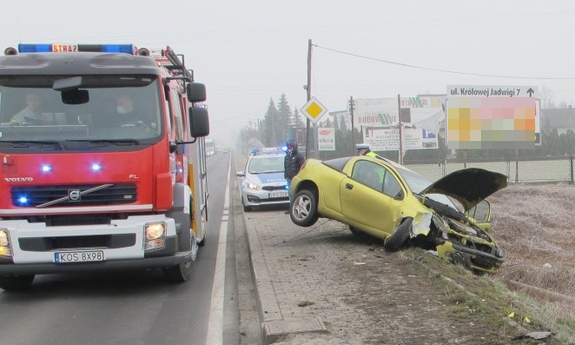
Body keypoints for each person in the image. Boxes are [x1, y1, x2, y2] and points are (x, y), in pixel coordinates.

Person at [283, 139, 305, 214]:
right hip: (289, 178)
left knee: (296, 193)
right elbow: (286, 166)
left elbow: (302, 167)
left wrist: (299, 176)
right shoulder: (286, 156)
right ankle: (291, 207)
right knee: (290, 193)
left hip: (296, 178)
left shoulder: (299, 156)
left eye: (290, 147)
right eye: (288, 147)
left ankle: (298, 208)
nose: (289, 148)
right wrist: (285, 174)